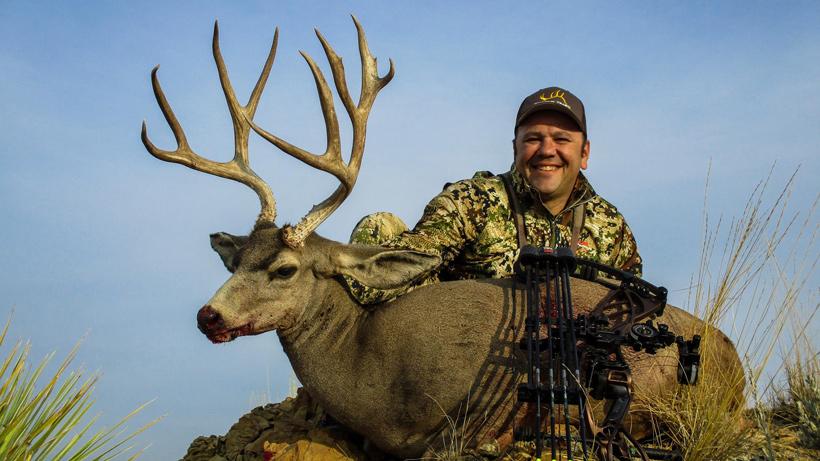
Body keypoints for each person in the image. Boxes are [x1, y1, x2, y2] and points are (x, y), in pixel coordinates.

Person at [346, 86, 642, 305]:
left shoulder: (609, 226)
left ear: (584, 153)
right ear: (516, 148)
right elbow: (414, 259)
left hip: (572, 367)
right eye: (534, 139)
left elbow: (633, 307)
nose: (547, 150)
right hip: (464, 358)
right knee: (378, 227)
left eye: (561, 139)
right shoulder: (471, 201)